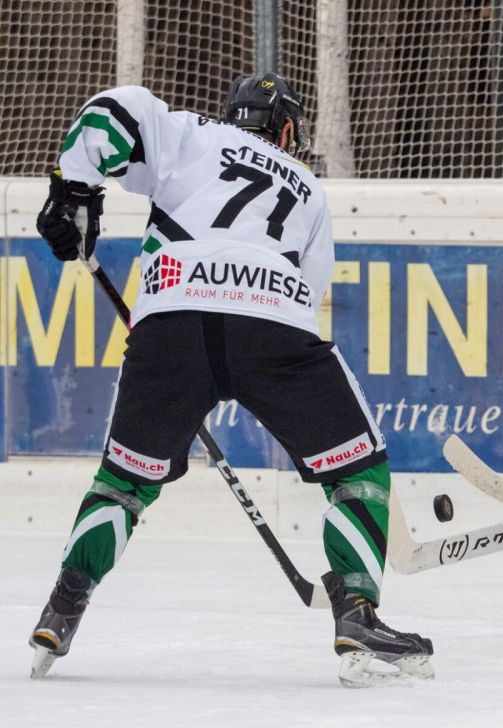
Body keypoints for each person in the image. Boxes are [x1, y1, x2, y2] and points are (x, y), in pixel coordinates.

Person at [29, 73, 432, 686]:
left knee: (124, 483)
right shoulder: (309, 188)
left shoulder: (191, 134)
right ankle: (356, 611)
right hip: (272, 323)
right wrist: (242, 348)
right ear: (287, 130)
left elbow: (118, 108)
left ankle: (63, 607)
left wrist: (72, 192)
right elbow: (309, 292)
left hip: (171, 323)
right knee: (357, 470)